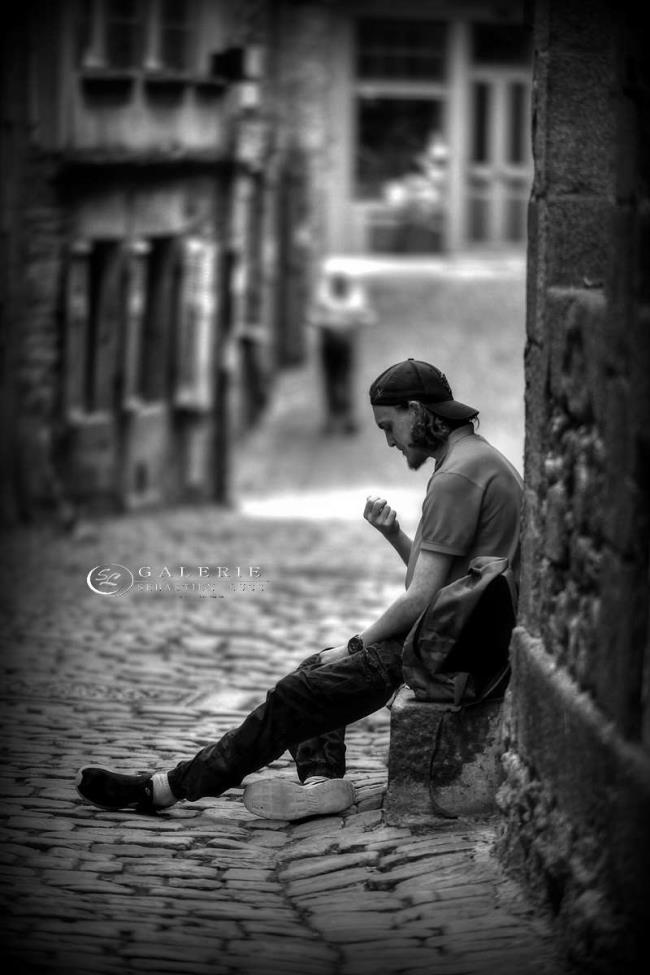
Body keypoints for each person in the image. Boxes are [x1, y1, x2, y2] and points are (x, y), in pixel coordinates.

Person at [76, 359, 523, 820]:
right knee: (314, 673)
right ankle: (320, 782)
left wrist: (356, 644)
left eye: (389, 427)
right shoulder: (477, 460)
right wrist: (393, 535)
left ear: (415, 410)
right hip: (461, 638)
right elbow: (437, 584)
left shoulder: (454, 478)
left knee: (298, 692)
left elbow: (420, 597)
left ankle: (168, 788)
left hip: (453, 653)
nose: (389, 441)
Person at [309, 265, 374, 435]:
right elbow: (313, 316)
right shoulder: (324, 297)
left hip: (345, 344)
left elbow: (367, 316)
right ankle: (334, 417)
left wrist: (357, 321)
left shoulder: (354, 298)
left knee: (344, 379)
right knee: (332, 379)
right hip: (330, 343)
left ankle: (347, 417)